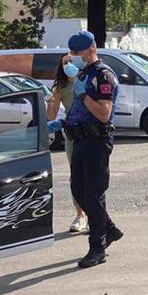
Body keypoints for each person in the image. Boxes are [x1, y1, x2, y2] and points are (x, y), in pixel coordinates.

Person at [60, 32, 123, 268]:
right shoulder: (83, 74)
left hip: (97, 140)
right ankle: (108, 229)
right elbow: (78, 111)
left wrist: (84, 93)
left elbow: (104, 113)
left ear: (91, 49)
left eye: (77, 53)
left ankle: (97, 247)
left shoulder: (102, 75)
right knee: (78, 189)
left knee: (94, 195)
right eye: (71, 53)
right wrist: (63, 123)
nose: (73, 57)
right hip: (80, 140)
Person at [47, 56, 88, 234]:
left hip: (92, 134)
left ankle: (95, 215)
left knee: (93, 176)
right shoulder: (61, 87)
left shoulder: (87, 80)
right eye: (65, 63)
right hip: (73, 136)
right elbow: (51, 115)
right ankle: (80, 214)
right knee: (76, 176)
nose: (69, 65)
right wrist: (52, 99)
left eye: (72, 61)